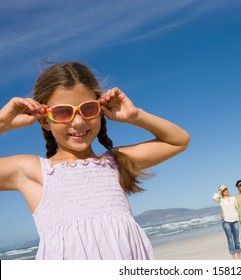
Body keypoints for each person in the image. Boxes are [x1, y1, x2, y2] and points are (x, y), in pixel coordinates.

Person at [0, 61, 190, 260]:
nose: (78, 121)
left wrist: (135, 116)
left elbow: (178, 141)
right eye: (63, 112)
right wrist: (2, 123)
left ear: (100, 110)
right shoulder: (35, 172)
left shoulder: (116, 162)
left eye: (88, 109)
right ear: (44, 120)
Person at [213, 184, 241, 259]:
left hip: (235, 220)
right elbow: (214, 197)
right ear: (222, 191)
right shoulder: (220, 200)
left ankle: (239, 255)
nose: (225, 191)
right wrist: (220, 190)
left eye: (226, 189)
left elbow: (237, 208)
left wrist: (238, 216)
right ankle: (233, 256)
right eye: (224, 190)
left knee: (237, 240)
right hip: (226, 222)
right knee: (230, 240)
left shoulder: (233, 198)